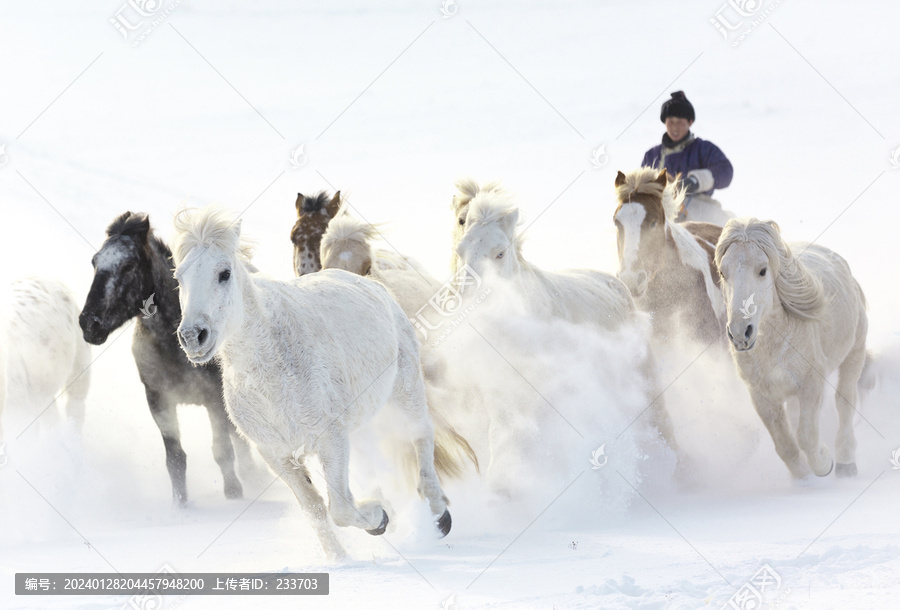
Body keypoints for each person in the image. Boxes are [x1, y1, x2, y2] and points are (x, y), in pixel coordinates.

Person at [642, 91, 733, 220]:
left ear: (690, 122)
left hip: (700, 210)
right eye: (670, 122)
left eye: (679, 122)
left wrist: (696, 181)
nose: (674, 127)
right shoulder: (652, 155)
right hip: (660, 214)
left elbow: (726, 171)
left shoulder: (703, 148)